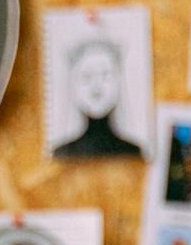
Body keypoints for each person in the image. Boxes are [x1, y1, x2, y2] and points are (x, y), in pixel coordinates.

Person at [51, 34, 143, 162]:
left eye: (106, 75)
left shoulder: (134, 151)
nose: (97, 87)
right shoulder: (62, 152)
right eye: (87, 76)